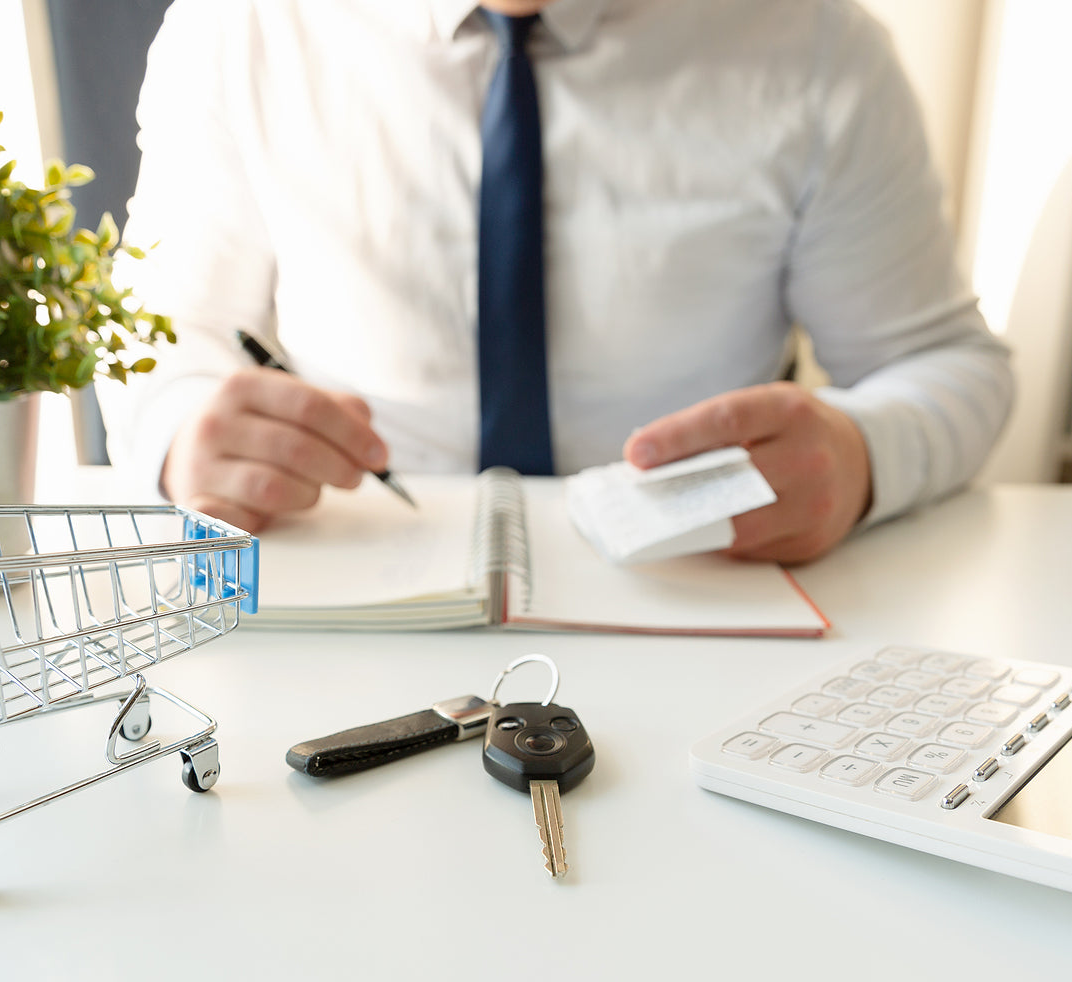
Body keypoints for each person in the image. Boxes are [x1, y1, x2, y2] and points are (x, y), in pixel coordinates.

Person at [109, 0, 1013, 564]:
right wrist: (182, 431)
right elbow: (154, 338)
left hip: (698, 585)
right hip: (357, 568)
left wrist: (862, 456)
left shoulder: (817, 48)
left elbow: (943, 361)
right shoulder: (237, 28)